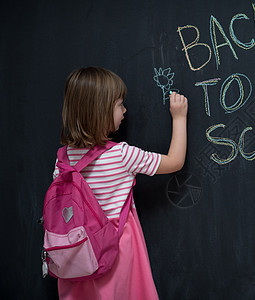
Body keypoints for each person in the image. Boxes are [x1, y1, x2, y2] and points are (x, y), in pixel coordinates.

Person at [53, 66, 188, 299]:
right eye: (119, 105)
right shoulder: (122, 155)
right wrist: (179, 117)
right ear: (101, 111)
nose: (125, 111)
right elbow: (175, 162)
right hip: (115, 253)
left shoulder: (62, 158)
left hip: (75, 256)